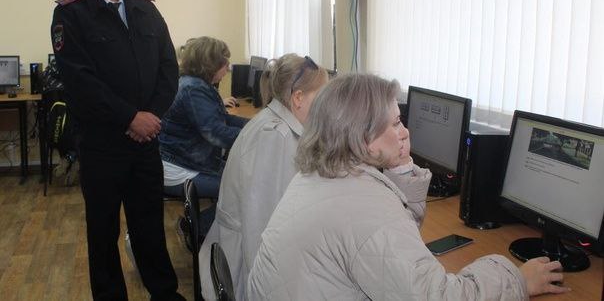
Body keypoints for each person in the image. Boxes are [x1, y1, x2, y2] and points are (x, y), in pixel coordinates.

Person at [247, 74, 570, 300]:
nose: (405, 132)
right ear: (363, 138)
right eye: (395, 123)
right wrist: (516, 279)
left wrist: (400, 167)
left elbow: (388, 251)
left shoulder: (323, 174)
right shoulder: (364, 208)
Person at [50, 0, 185, 300]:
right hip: (102, 146)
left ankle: (164, 294)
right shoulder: (71, 14)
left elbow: (169, 68)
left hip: (146, 142)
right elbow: (81, 82)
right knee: (103, 231)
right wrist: (130, 118)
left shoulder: (146, 9)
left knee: (150, 226)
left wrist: (150, 116)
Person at [199, 54, 329, 300]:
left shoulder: (275, 122)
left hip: (238, 252)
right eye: (322, 97)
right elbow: (260, 225)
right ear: (298, 97)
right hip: (245, 269)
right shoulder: (275, 137)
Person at [159, 36, 249, 236]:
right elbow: (216, 133)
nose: (228, 68)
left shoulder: (197, 84)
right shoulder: (194, 89)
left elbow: (223, 119)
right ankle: (192, 229)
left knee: (242, 176)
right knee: (243, 189)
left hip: (187, 160)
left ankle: (211, 229)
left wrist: (254, 125)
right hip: (179, 168)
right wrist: (255, 135)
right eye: (224, 63)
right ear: (210, 64)